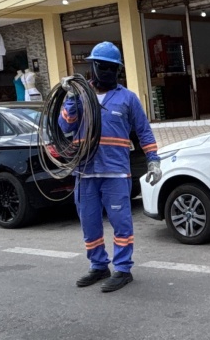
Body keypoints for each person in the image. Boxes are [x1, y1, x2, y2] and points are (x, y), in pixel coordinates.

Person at [58, 41, 163, 293]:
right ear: (92, 67)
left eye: (111, 68)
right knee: (90, 223)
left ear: (117, 70)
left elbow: (144, 131)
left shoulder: (127, 98)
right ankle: (98, 266)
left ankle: (123, 269)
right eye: (102, 66)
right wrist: (71, 98)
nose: (106, 71)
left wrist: (153, 160)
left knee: (121, 223)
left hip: (115, 173)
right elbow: (65, 127)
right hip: (85, 172)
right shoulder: (81, 97)